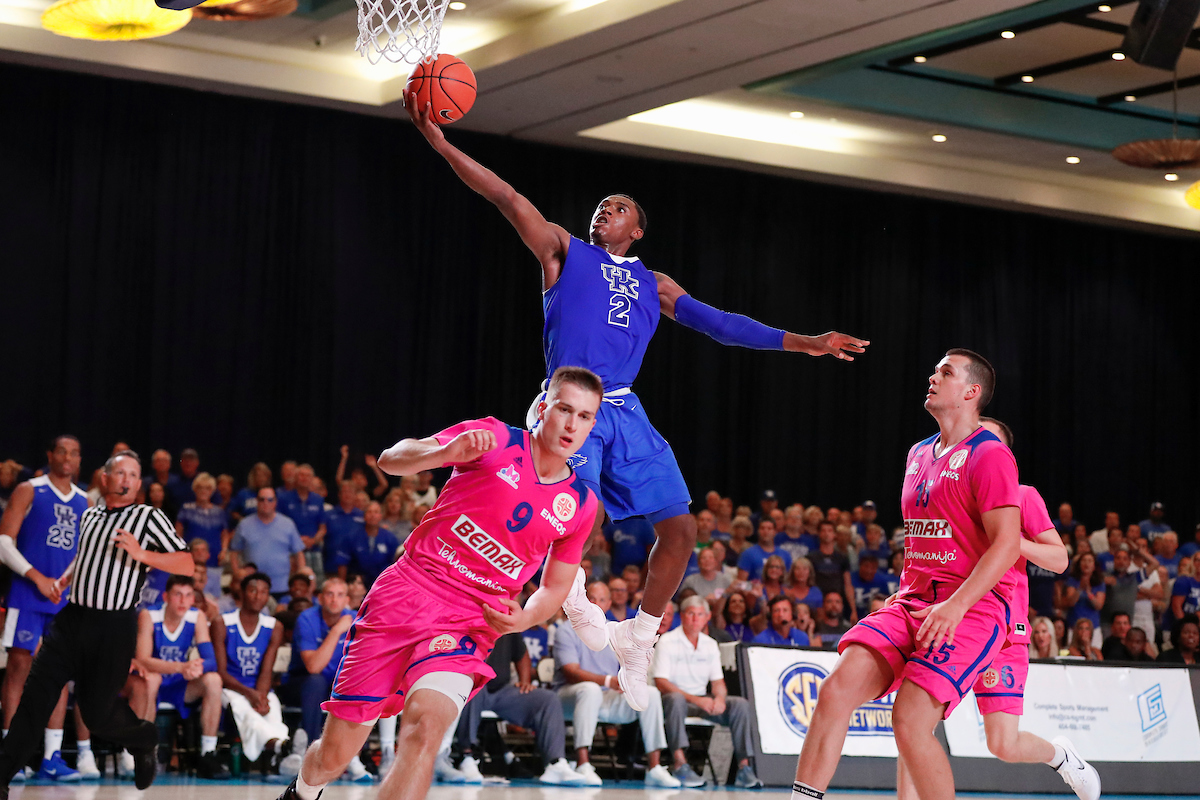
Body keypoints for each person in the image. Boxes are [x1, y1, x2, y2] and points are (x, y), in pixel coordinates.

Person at [405, 94, 867, 713]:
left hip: (627, 410)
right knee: (581, 512)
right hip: (569, 406)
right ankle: (572, 598)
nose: (605, 210)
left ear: (637, 230)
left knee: (681, 530)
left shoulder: (654, 283)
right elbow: (508, 198)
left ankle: (640, 638)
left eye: (618, 208)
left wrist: (808, 343)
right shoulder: (565, 252)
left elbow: (723, 325)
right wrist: (439, 143)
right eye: (602, 205)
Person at [277, 367, 603, 800]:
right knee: (335, 754)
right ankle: (301, 791)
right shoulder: (495, 439)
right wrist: (445, 451)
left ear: (591, 425)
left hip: (469, 622)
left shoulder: (580, 504)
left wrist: (525, 618)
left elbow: (556, 586)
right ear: (543, 408)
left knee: (425, 731)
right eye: (564, 410)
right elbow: (391, 459)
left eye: (583, 416)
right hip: (407, 591)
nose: (571, 424)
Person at [790, 349, 1025, 800]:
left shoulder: (991, 455)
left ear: (971, 392)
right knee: (835, 690)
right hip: (912, 601)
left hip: (969, 608)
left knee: (910, 720)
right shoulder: (919, 453)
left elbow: (1007, 545)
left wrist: (955, 606)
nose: (933, 377)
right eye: (935, 369)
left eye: (946, 372)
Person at [896, 415, 1096, 800]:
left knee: (1002, 744)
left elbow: (1059, 559)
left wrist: (1009, 539)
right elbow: (925, 554)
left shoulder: (1022, 496)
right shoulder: (945, 491)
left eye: (987, 439)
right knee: (916, 723)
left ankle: (1061, 757)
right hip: (951, 617)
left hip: (1004, 627)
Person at [0, 449, 193, 793]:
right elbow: (88, 554)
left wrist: (141, 554)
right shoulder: (90, 515)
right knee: (35, 697)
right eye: (121, 473)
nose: (128, 480)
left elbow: (186, 564)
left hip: (113, 628)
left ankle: (144, 738)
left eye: (134, 475)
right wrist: (66, 577)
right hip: (72, 620)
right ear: (105, 479)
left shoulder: (148, 517)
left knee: (96, 714)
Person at [0, 435, 95, 782]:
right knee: (19, 668)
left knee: (59, 674)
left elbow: (86, 554)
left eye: (74, 452)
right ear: (50, 455)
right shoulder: (30, 489)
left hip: (62, 599)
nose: (67, 457)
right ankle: (10, 753)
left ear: (80, 460)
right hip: (27, 593)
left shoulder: (86, 501)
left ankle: (52, 756)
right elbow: (2, 542)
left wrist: (66, 582)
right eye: (61, 451)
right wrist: (38, 577)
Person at [553, 581, 677, 786]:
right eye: (591, 598)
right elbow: (570, 672)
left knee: (652, 693)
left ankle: (654, 767)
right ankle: (582, 763)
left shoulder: (614, 629)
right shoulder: (565, 629)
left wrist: (621, 683)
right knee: (590, 690)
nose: (595, 603)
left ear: (609, 604)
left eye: (601, 599)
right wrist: (609, 681)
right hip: (570, 697)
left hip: (607, 696)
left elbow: (625, 667)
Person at [656, 596, 763, 788]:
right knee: (675, 698)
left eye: (700, 615)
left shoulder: (710, 644)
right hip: (675, 701)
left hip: (701, 701)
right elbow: (661, 682)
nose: (696, 619)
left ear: (708, 617)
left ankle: (744, 768)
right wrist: (698, 700)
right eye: (691, 614)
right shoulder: (667, 640)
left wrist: (720, 698)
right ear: (682, 616)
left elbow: (718, 682)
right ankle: (680, 763)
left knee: (739, 704)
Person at [457, 632, 585, 785]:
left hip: (501, 690)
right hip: (474, 686)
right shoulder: (474, 618)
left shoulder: (509, 625)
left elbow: (522, 655)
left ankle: (555, 763)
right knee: (473, 686)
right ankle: (467, 756)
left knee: (548, 700)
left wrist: (525, 680)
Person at [133, 575, 228, 779]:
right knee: (151, 679)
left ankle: (207, 753)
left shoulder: (197, 617)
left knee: (213, 680)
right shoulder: (149, 615)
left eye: (188, 596)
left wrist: (196, 669)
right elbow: (142, 659)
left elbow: (211, 661)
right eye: (178, 595)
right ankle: (145, 752)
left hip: (178, 684)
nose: (183, 601)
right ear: (166, 596)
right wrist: (181, 667)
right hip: (153, 681)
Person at [214, 571, 302, 774]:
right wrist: (250, 694)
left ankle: (284, 750)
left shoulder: (274, 626)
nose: (258, 596)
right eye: (253, 590)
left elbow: (267, 668)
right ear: (242, 593)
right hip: (230, 687)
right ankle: (285, 749)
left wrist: (261, 695)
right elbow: (220, 672)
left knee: (272, 713)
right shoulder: (222, 623)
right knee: (248, 714)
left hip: (259, 688)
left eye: (264, 592)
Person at [231, 487, 306, 603]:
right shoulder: (244, 524)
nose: (266, 503)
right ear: (257, 501)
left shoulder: (288, 524)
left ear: (275, 502)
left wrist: (301, 575)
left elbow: (299, 553)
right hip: (253, 587)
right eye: (262, 499)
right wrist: (237, 573)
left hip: (282, 587)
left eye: (270, 500)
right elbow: (234, 552)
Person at [277, 465, 327, 578]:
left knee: (315, 584)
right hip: (290, 552)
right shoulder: (284, 498)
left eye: (308, 476)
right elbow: (279, 526)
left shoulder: (318, 499)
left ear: (312, 479)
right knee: (293, 583)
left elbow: (323, 528)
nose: (304, 478)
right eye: (301, 475)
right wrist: (297, 543)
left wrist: (313, 541)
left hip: (313, 550)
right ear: (295, 477)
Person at [176, 472, 230, 574]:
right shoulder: (186, 508)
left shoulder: (219, 512)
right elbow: (178, 533)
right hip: (191, 559)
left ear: (212, 491)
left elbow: (225, 534)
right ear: (195, 489)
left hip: (214, 558)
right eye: (200, 488)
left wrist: (224, 550)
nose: (203, 491)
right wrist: (180, 552)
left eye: (207, 488)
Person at [341, 501, 400, 588]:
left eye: (376, 512)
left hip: (383, 584)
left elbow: (396, 564)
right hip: (357, 584)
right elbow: (343, 563)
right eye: (369, 512)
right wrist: (342, 585)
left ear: (381, 516)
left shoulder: (390, 538)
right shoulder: (352, 536)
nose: (372, 515)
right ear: (364, 516)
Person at [849, 555, 891, 620]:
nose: (869, 570)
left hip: (876, 619)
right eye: (866, 566)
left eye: (873, 568)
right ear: (860, 566)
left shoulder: (882, 581)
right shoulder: (850, 579)